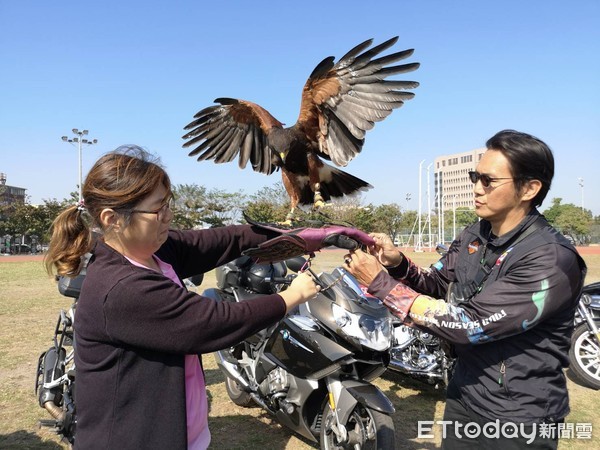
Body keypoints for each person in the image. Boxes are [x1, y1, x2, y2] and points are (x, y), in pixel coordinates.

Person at [44, 145, 372, 450]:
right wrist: (289, 298)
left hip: (178, 432)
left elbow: (222, 239)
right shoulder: (121, 287)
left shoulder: (155, 251)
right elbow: (211, 322)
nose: (168, 216)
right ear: (112, 219)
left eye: (168, 203)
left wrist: (302, 236)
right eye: (157, 210)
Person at [344, 130, 587, 449]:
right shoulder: (475, 234)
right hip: (465, 394)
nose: (476, 188)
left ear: (529, 188)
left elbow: (467, 324)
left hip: (520, 416)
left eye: (488, 181)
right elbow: (437, 283)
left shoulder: (550, 259)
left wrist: (379, 283)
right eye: (475, 177)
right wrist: (395, 263)